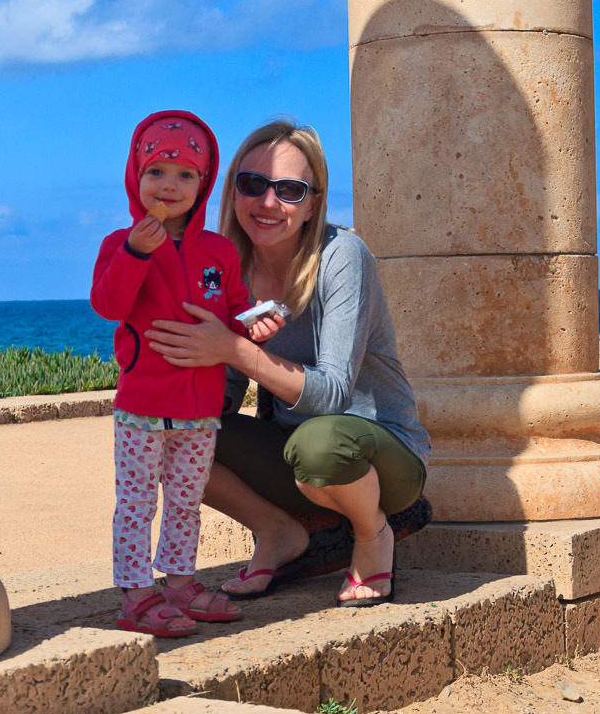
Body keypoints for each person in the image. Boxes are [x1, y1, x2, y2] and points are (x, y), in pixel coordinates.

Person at [145, 120, 431, 607]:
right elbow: (229, 390)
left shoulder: (343, 256)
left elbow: (334, 393)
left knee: (318, 445)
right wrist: (175, 372)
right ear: (232, 190)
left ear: (313, 203)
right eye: (252, 184)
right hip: (295, 458)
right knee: (171, 432)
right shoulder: (226, 267)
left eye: (290, 190)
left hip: (379, 454)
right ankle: (277, 532)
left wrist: (234, 348)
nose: (267, 202)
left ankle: (372, 532)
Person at [90, 110, 280, 637]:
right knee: (136, 502)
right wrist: (135, 253)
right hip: (142, 407)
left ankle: (179, 582)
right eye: (156, 172)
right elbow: (108, 304)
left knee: (186, 500)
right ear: (136, 177)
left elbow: (235, 308)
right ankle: (135, 593)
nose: (169, 185)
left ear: (203, 184)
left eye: (185, 175)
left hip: (201, 408)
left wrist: (254, 326)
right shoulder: (118, 244)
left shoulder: (217, 251)